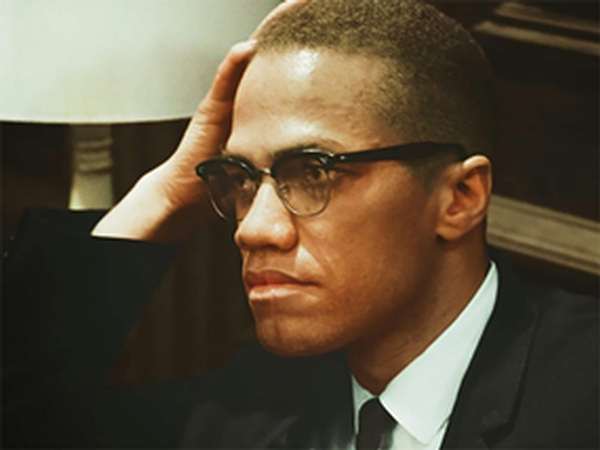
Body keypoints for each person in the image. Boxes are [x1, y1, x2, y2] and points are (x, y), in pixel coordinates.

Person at [3, 0, 597, 448]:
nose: (252, 230)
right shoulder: (245, 409)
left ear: (459, 198)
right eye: (239, 178)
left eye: (313, 172)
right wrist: (161, 194)